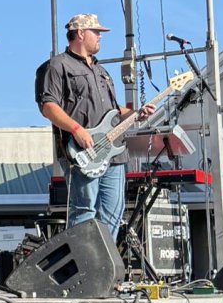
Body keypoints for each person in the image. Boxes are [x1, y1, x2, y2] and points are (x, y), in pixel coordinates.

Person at [35, 13, 154, 238]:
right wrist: (76, 129)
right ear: (80, 33)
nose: (100, 37)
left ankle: (101, 263)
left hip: (113, 153)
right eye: (96, 32)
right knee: (84, 210)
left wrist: (137, 114)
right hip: (82, 152)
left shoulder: (102, 71)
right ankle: (82, 267)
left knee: (113, 212)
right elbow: (48, 106)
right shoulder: (57, 66)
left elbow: (114, 111)